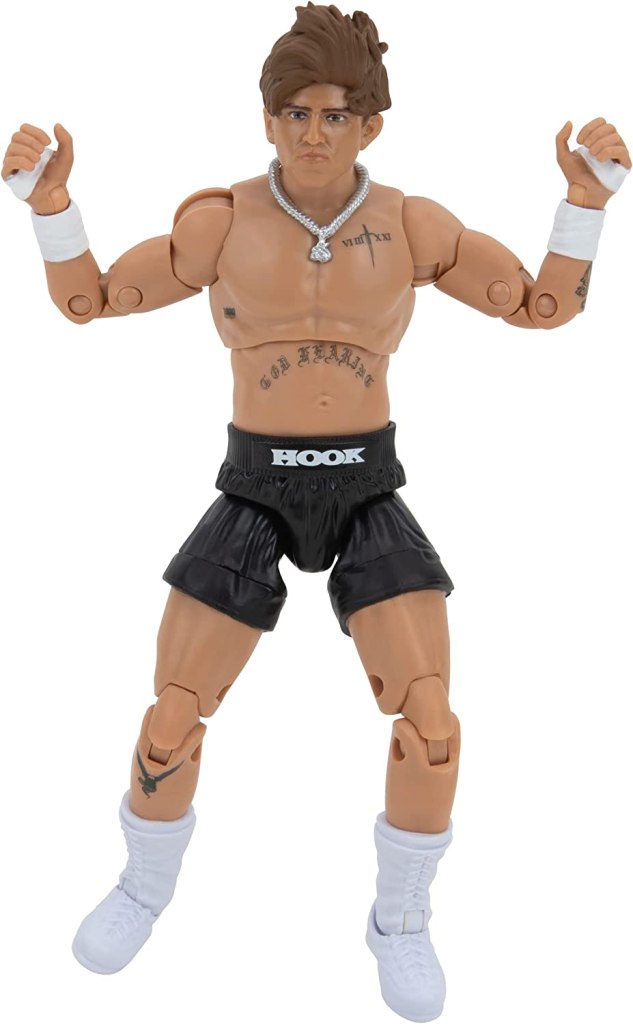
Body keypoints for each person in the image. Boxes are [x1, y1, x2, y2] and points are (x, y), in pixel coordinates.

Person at [2, 4, 629, 1021]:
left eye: (334, 114)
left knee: (431, 725)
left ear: (370, 124)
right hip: (254, 486)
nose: (312, 133)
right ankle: (143, 888)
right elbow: (91, 301)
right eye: (294, 112)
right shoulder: (223, 222)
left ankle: (401, 918)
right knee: (171, 715)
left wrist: (585, 203)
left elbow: (540, 307)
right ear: (267, 119)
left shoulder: (413, 225)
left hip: (366, 486)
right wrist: (51, 206)